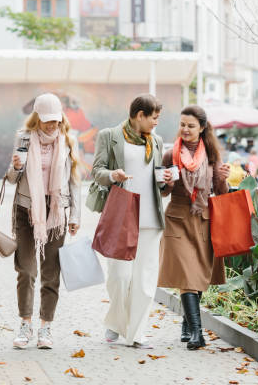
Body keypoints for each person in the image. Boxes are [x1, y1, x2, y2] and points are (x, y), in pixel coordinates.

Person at [89, 93, 168, 349]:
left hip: (151, 219)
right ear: (140, 115)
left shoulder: (156, 141)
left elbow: (157, 180)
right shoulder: (110, 136)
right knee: (119, 277)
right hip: (122, 215)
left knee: (145, 281)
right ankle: (115, 321)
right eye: (153, 117)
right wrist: (113, 174)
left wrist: (165, 179)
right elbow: (96, 172)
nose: (156, 122)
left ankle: (137, 333)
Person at [6, 93, 81, 350]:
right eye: (47, 120)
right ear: (37, 117)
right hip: (26, 210)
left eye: (56, 120)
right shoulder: (24, 138)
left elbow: (74, 181)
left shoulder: (69, 141)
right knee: (26, 270)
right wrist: (16, 167)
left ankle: (45, 327)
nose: (52, 125)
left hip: (56, 212)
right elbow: (12, 178)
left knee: (51, 273)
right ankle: (25, 325)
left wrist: (75, 215)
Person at [157, 105, 230, 350]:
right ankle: (198, 333)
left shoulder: (211, 156)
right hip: (177, 218)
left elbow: (221, 193)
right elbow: (163, 192)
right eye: (182, 125)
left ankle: (187, 325)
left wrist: (222, 177)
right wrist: (164, 183)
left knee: (198, 276)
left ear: (201, 128)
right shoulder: (170, 155)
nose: (185, 130)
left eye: (190, 125)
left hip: (203, 219)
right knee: (188, 274)